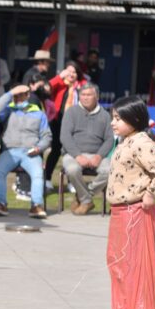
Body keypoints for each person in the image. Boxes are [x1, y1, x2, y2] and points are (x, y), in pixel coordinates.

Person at [106, 96, 155, 309]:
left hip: (134, 210)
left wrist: (151, 193)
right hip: (119, 210)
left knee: (135, 264)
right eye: (113, 118)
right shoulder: (125, 141)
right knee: (118, 263)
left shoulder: (141, 142)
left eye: (118, 118)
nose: (113, 123)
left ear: (134, 119)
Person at [0, 84, 51, 219]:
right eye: (15, 96)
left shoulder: (39, 114)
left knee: (38, 173)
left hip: (31, 152)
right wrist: (10, 93)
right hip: (10, 151)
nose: (17, 98)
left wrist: (39, 148)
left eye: (21, 95)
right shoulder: (7, 111)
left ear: (28, 95)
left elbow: (47, 136)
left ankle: (36, 206)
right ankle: (1, 204)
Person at [60, 83, 113, 215]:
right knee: (72, 169)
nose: (85, 98)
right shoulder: (71, 112)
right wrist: (78, 156)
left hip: (97, 154)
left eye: (89, 95)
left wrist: (99, 156)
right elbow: (65, 137)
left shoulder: (105, 115)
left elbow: (110, 139)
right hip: (73, 154)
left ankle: (82, 197)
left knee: (110, 171)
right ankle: (86, 200)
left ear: (97, 97)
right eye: (83, 95)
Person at [47, 61, 87, 192]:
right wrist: (59, 76)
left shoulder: (81, 85)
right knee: (56, 150)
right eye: (69, 71)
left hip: (74, 124)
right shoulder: (60, 83)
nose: (71, 74)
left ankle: (71, 181)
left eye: (74, 72)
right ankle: (47, 179)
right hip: (57, 122)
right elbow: (48, 86)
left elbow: (89, 91)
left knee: (72, 152)